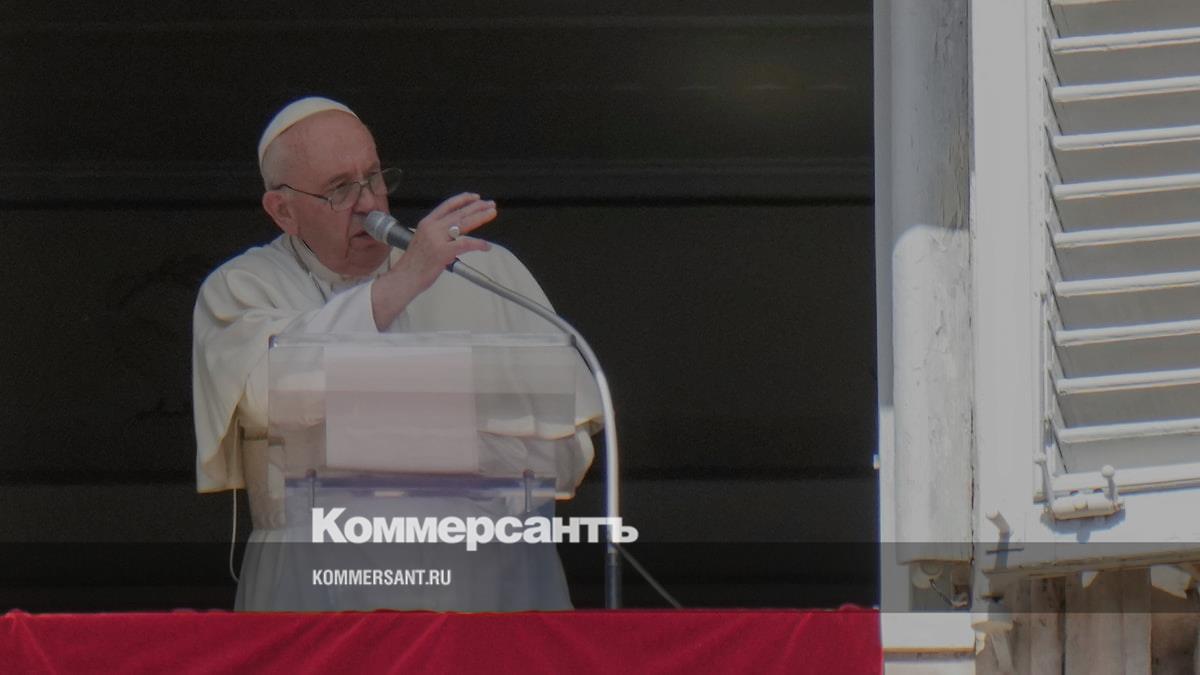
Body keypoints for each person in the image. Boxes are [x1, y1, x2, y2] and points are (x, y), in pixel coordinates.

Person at [192, 96, 602, 610]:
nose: (369, 203)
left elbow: (567, 446)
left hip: (486, 582)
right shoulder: (242, 288)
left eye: (373, 178)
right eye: (340, 189)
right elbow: (269, 396)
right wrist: (405, 282)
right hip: (321, 584)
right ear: (283, 211)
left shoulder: (484, 270)